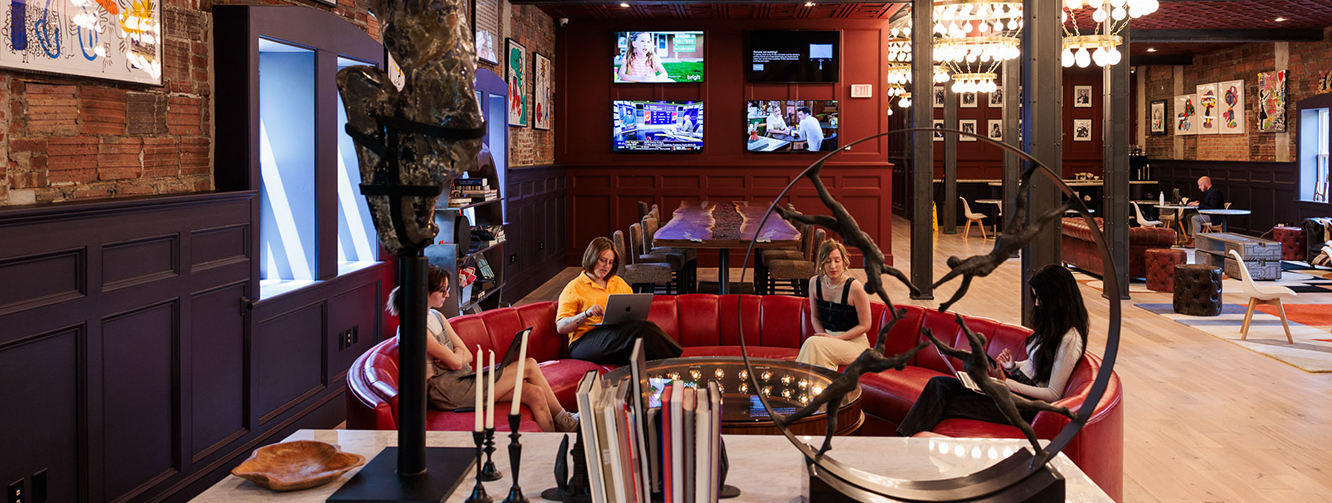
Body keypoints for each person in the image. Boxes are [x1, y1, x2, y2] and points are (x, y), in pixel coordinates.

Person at [896, 264, 1088, 437]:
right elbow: (1036, 364)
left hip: (1027, 406)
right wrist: (1012, 367)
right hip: (1014, 389)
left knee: (941, 402)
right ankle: (905, 444)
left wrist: (1005, 383)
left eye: (1039, 298)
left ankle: (904, 448)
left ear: (1057, 299)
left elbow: (1053, 394)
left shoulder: (1070, 339)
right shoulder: (1053, 327)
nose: (1037, 303)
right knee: (938, 383)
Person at [387, 266, 578, 432]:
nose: (447, 294)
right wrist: (456, 356)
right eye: (443, 290)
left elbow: (467, 355)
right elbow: (455, 362)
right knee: (528, 364)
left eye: (448, 289)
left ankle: (554, 444)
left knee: (534, 393)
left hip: (464, 378)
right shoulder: (413, 326)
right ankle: (566, 420)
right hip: (449, 391)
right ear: (423, 292)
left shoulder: (436, 316)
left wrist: (455, 356)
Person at [557, 237, 682, 365]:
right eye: (603, 260)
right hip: (583, 343)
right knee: (641, 328)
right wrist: (586, 314)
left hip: (615, 335)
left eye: (611, 262)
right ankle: (677, 363)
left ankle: (660, 376)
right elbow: (561, 327)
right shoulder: (574, 287)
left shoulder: (618, 282)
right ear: (592, 258)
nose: (607, 266)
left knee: (643, 337)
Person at [796, 240, 873, 370]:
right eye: (828, 261)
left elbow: (865, 325)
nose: (833, 266)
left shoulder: (855, 288)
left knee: (813, 343)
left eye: (837, 260)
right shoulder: (814, 283)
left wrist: (835, 338)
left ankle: (797, 378)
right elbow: (815, 316)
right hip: (826, 341)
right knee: (817, 347)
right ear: (821, 263)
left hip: (854, 343)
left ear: (844, 262)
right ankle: (825, 389)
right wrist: (824, 337)